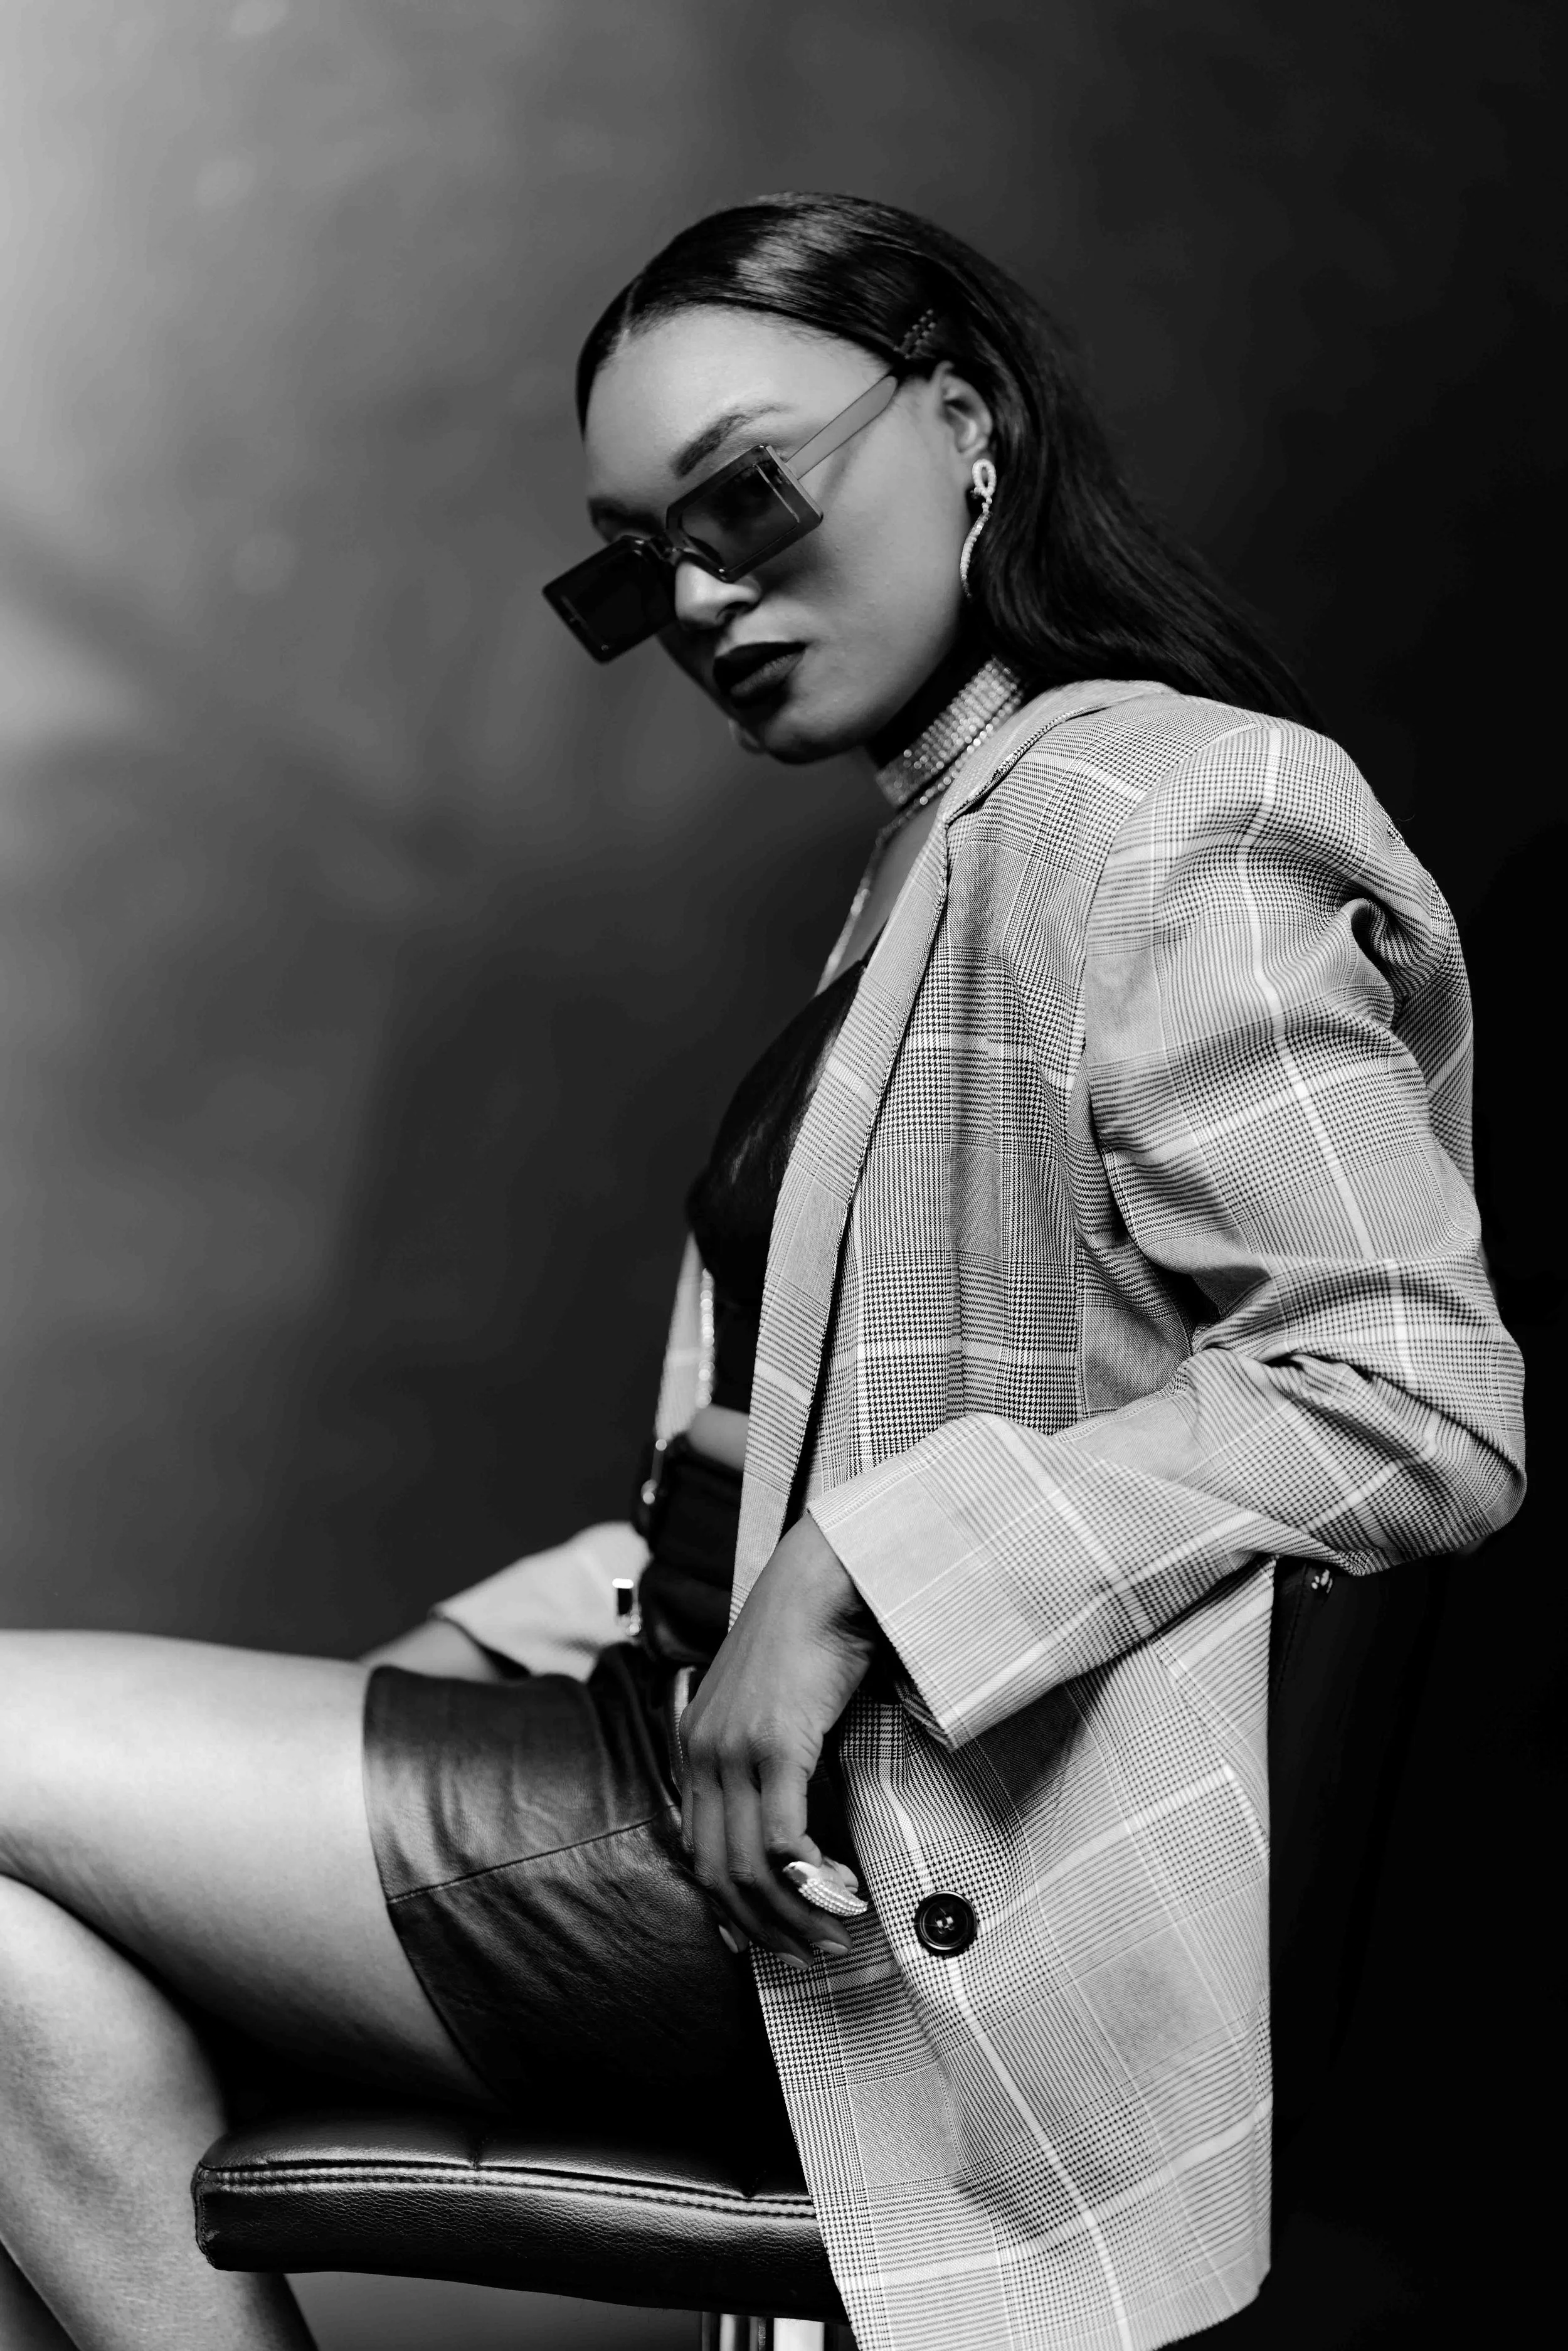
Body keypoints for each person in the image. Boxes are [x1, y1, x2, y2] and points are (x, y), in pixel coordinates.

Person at [0, 192, 1525, 2351]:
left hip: (841, 1883)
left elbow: (1409, 1391)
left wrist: (855, 1580)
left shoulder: (1165, 806)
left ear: (965, 420)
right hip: (670, 1755)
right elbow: (803, 1420)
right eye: (644, 563)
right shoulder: (955, 835)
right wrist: (462, 1659)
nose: (702, 594)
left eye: (746, 498)